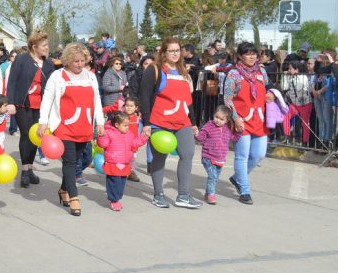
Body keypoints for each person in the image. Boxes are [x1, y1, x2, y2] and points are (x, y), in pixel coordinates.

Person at [38, 43, 105, 216]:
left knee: (83, 159)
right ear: (68, 61)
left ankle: (63, 189)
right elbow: (47, 99)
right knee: (69, 161)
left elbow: (97, 99)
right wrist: (43, 122)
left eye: (83, 60)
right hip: (64, 127)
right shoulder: (57, 76)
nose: (80, 64)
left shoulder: (90, 77)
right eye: (76, 61)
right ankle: (74, 197)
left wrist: (100, 122)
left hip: (84, 127)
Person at [139, 37, 202, 209]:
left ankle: (183, 195)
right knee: (160, 158)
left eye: (177, 50)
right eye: (171, 50)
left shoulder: (184, 72)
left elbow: (188, 101)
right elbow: (144, 97)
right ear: (163, 53)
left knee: (187, 154)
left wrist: (194, 122)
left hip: (182, 121)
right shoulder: (155, 70)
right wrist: (146, 123)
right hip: (159, 121)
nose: (175, 53)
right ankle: (158, 194)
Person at [5, 32, 55, 187]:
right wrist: (10, 102)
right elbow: (12, 82)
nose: (47, 48)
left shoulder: (49, 64)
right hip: (23, 104)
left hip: (41, 106)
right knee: (26, 135)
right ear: (34, 47)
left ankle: (29, 168)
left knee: (36, 137)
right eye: (44, 45)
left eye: (47, 45)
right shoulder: (21, 60)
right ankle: (25, 171)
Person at [224, 42, 269, 205]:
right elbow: (227, 99)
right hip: (241, 120)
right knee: (242, 156)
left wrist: (271, 95)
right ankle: (245, 190)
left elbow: (267, 89)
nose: (251, 57)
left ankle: (237, 178)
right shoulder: (233, 74)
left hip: (259, 120)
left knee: (259, 155)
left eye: (254, 53)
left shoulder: (262, 71)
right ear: (240, 56)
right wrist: (235, 118)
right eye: (247, 54)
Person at [96, 111, 148, 211]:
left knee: (121, 184)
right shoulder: (109, 133)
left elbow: (134, 143)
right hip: (113, 163)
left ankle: (116, 198)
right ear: (116, 125)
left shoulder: (129, 134)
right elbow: (103, 144)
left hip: (125, 163)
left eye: (128, 125)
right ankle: (114, 200)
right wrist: (101, 135)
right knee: (113, 183)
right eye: (125, 125)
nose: (127, 127)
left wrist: (143, 137)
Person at [196, 105, 242, 205]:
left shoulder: (227, 129)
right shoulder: (209, 125)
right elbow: (201, 137)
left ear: (226, 120)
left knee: (215, 178)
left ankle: (208, 193)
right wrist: (197, 135)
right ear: (213, 115)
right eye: (216, 117)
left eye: (222, 119)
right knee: (212, 176)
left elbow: (234, 138)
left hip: (220, 158)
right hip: (208, 156)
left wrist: (239, 133)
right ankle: (211, 195)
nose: (218, 120)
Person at [282, 61, 313, 144]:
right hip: (295, 104)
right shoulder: (291, 77)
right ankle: (287, 137)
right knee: (286, 117)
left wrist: (293, 78)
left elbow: (299, 88)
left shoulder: (303, 77)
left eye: (290, 69)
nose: (288, 70)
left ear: (296, 70)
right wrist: (285, 77)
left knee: (305, 123)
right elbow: (284, 87)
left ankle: (305, 141)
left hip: (305, 104)